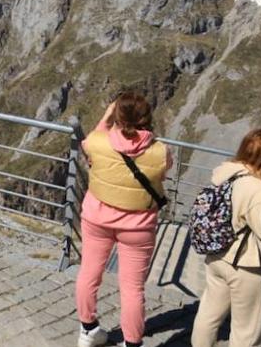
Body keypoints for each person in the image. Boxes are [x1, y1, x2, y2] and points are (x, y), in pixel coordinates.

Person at [74, 92, 172, 347]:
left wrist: (107, 117)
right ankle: (132, 343)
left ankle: (88, 330)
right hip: (137, 227)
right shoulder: (160, 152)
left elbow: (88, 143)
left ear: (117, 116)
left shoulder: (98, 141)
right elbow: (164, 170)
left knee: (88, 273)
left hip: (97, 219)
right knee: (132, 289)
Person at [191, 128, 261, 347]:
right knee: (247, 331)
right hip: (245, 264)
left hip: (217, 255)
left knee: (208, 315)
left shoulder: (225, 173)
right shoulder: (257, 189)